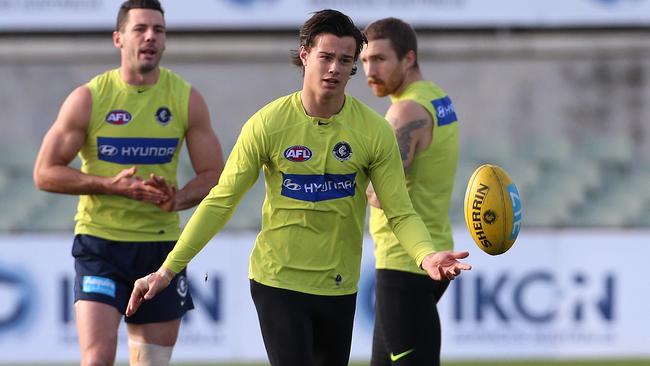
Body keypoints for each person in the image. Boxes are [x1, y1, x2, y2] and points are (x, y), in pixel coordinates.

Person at [126, 9, 470, 366]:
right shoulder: (267, 124)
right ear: (305, 55)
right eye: (326, 57)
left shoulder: (373, 131)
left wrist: (426, 255)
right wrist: (168, 269)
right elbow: (220, 201)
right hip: (278, 282)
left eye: (345, 60)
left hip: (339, 285)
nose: (335, 68)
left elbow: (399, 211)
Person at [33, 1, 225, 365]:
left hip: (161, 249)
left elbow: (215, 176)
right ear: (119, 39)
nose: (151, 36)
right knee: (97, 358)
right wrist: (109, 185)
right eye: (141, 29)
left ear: (165, 41)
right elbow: (44, 172)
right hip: (100, 246)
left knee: (151, 362)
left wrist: (178, 198)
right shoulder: (89, 98)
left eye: (159, 30)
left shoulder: (186, 99)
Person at [360, 17, 460, 366]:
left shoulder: (403, 113)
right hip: (429, 251)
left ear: (409, 59)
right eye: (364, 61)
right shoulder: (438, 99)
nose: (369, 71)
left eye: (379, 59)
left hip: (404, 263)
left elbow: (379, 193)